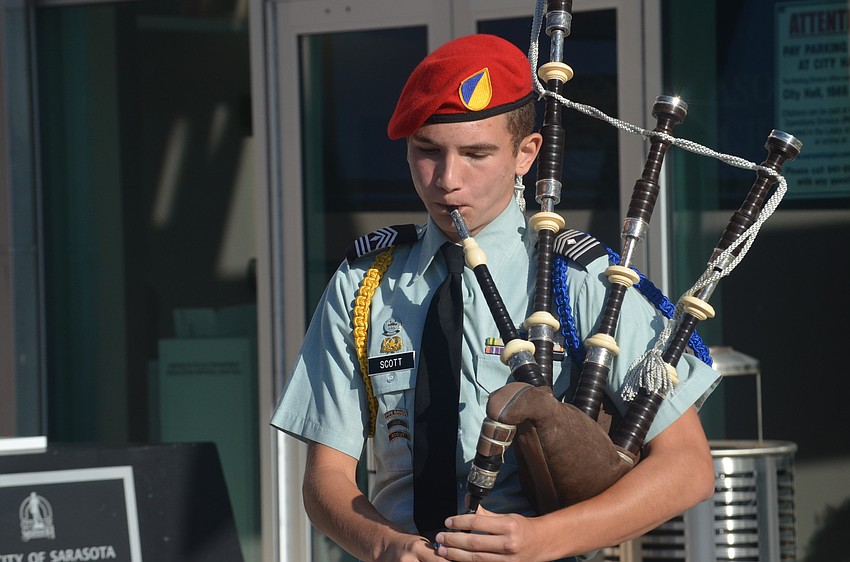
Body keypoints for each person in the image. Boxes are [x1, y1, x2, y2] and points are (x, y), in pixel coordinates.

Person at [271, 33, 719, 561]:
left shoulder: (583, 281)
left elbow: (687, 467)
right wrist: (385, 544)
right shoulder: (365, 283)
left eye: (476, 154)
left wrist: (543, 540)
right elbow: (325, 478)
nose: (447, 180)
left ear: (526, 153)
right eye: (427, 150)